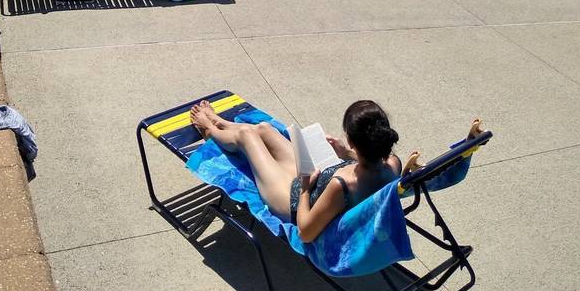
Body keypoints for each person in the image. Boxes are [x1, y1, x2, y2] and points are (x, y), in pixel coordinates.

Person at [189, 99, 473, 241]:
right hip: (315, 181)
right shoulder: (393, 165)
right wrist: (346, 154)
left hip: (291, 198)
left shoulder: (342, 184)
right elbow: (367, 166)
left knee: (249, 137)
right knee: (263, 129)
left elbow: (306, 232)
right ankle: (218, 122)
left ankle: (210, 128)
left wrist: (306, 188)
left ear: (353, 139)